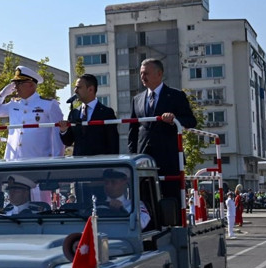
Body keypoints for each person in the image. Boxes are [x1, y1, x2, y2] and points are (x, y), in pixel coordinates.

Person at [128, 59, 197, 199]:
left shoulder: (176, 96)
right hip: (144, 160)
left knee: (171, 201)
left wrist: (174, 120)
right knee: (145, 200)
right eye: (141, 73)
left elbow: (191, 121)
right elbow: (133, 131)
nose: (142, 77)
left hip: (168, 159)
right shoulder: (137, 99)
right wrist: (133, 156)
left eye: (146, 73)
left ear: (159, 74)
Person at [0, 65, 64, 160]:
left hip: (38, 161)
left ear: (31, 84)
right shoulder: (14, 104)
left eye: (19, 83)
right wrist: (2, 94)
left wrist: (57, 160)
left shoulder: (49, 105)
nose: (15, 87)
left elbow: (57, 136)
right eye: (15, 83)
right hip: (13, 160)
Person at [59, 74, 119, 156]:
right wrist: (63, 131)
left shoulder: (106, 113)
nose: (75, 91)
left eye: (79, 87)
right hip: (79, 164)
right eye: (75, 87)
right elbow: (68, 141)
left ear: (90, 89)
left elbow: (113, 143)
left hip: (99, 164)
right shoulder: (74, 113)